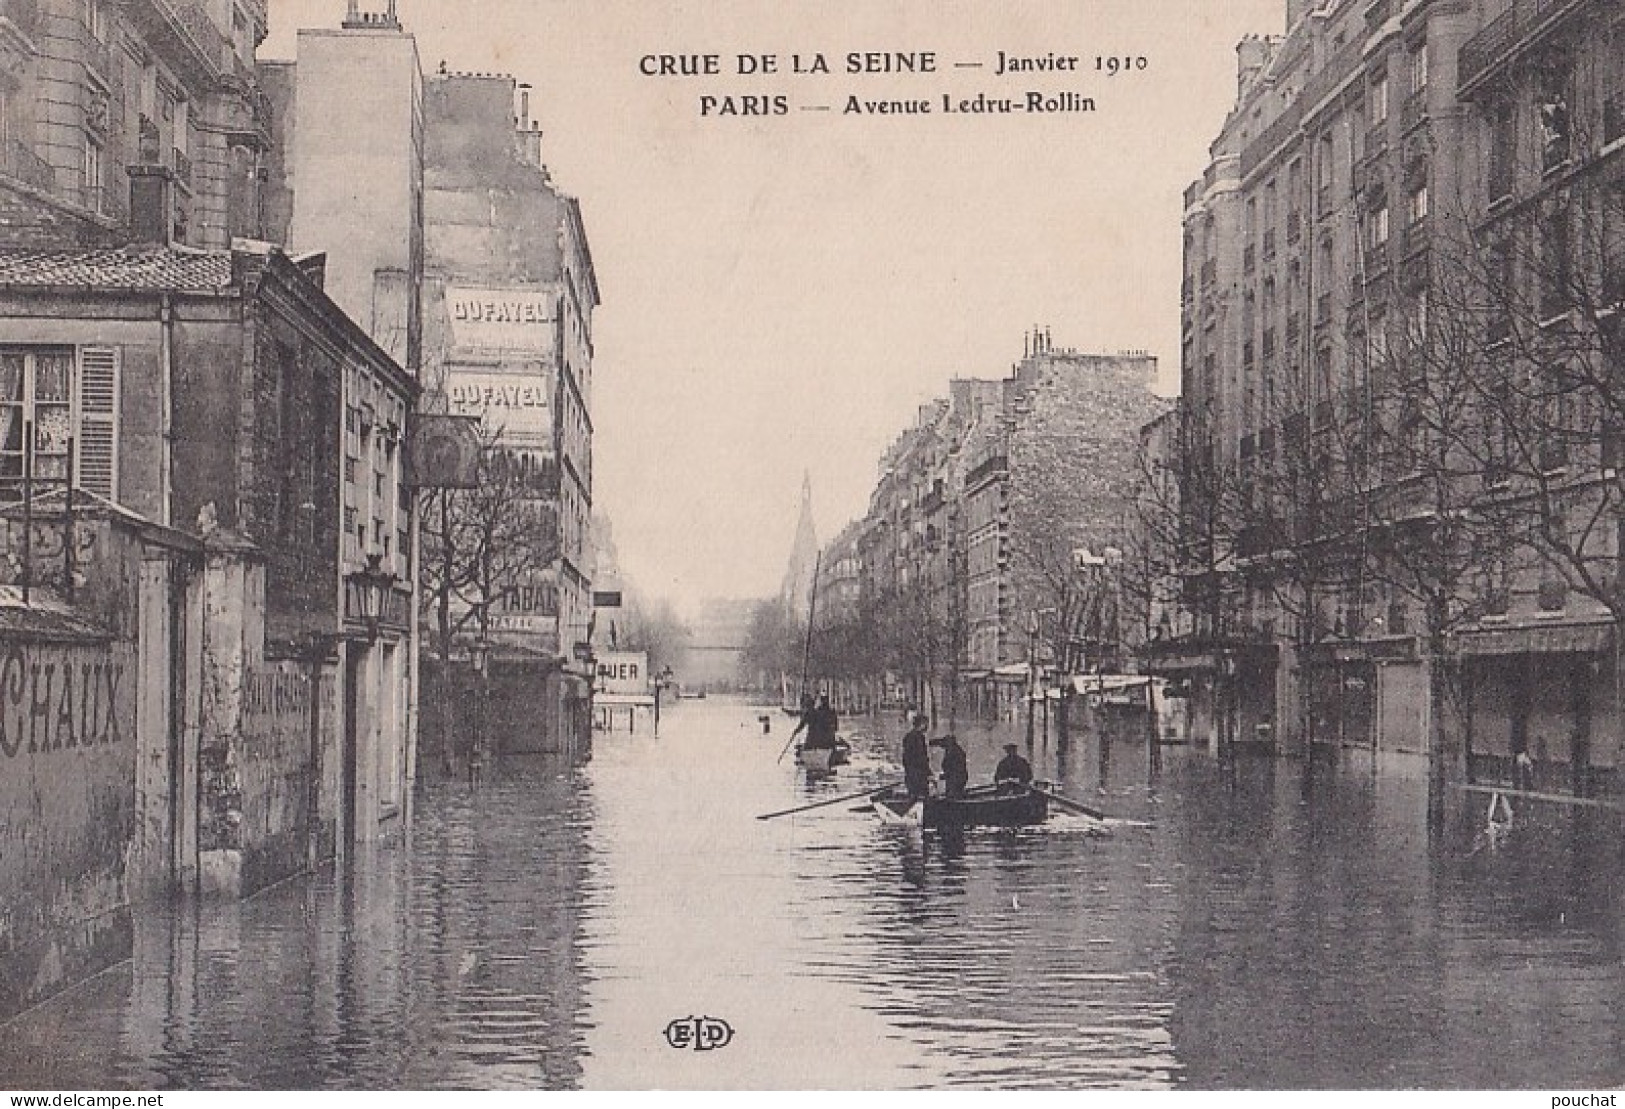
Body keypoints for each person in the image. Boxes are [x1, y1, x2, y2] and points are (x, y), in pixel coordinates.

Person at [901, 713, 931, 799]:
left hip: (912, 774)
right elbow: (921, 758)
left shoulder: (910, 736)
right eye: (926, 724)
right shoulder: (917, 738)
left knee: (915, 795)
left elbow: (906, 758)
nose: (927, 727)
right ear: (922, 724)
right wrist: (928, 773)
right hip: (918, 776)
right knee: (921, 796)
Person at [931, 734, 969, 798]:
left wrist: (941, 776)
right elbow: (938, 742)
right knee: (950, 795)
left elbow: (955, 770)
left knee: (952, 796)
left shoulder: (956, 753)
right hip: (952, 779)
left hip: (957, 779)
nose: (943, 746)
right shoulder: (951, 750)